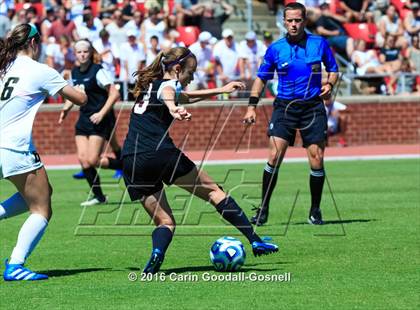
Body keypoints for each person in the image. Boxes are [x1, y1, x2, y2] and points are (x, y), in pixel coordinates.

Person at [122, 46, 279, 274]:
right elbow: (171, 93)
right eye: (190, 72)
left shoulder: (149, 86)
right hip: (159, 152)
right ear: (177, 69)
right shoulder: (168, 85)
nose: (192, 77)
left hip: (131, 160)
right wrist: (174, 108)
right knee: (215, 192)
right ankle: (255, 239)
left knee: (165, 222)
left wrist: (220, 89)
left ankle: (157, 254)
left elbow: (183, 96)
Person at [0, 23, 87, 281]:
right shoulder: (39, 70)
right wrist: (75, 84)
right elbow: (79, 99)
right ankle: (16, 264)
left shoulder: (4, 69)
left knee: (43, 192)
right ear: (34, 43)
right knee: (41, 209)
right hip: (14, 147)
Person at [242, 2, 339, 226]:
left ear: (304, 21)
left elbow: (333, 69)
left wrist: (330, 85)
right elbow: (261, 78)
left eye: (298, 20)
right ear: (284, 22)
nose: (294, 24)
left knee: (317, 159)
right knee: (275, 156)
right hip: (285, 107)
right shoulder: (276, 48)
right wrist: (251, 106)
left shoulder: (319, 43)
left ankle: (315, 210)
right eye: (290, 21)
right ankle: (263, 209)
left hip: (312, 106)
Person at [58, 39, 120, 207]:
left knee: (93, 160)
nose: (82, 54)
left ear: (91, 52)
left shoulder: (98, 71)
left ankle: (125, 165)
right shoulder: (74, 72)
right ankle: (99, 197)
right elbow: (73, 96)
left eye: (85, 51)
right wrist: (65, 109)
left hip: (98, 120)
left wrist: (101, 113)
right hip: (83, 120)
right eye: (79, 52)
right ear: (75, 54)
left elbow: (114, 94)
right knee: (83, 160)